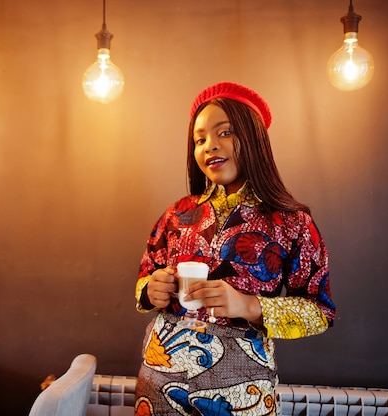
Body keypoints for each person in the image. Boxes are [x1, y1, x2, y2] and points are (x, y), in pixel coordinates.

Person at [133, 82, 336, 416]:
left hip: (242, 394)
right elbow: (144, 278)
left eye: (224, 132)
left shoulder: (292, 222)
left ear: (254, 138)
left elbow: (320, 312)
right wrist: (150, 289)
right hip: (158, 389)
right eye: (199, 139)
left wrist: (249, 306)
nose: (210, 146)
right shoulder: (176, 214)